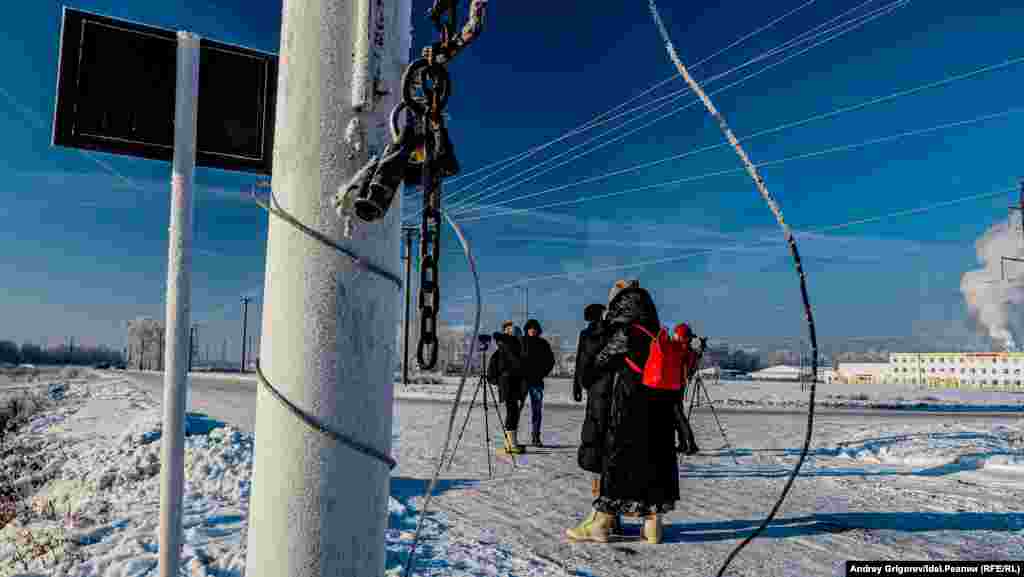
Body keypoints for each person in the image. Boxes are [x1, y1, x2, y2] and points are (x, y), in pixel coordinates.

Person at [565, 279, 680, 545]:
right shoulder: (657, 334)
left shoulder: (624, 334)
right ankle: (653, 527)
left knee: (618, 464)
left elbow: (592, 371)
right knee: (654, 465)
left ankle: (601, 524)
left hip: (628, 409)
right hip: (659, 415)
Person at [572, 302, 623, 535]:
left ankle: (605, 515)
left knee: (599, 451)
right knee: (606, 452)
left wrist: (580, 383)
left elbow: (584, 363)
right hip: (607, 394)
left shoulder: (598, 334)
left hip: (602, 395)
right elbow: (582, 361)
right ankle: (609, 515)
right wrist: (578, 384)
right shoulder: (604, 332)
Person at [487, 320, 527, 454]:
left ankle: (510, 442)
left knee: (513, 412)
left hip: (511, 383)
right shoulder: (508, 345)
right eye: (509, 328)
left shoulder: (507, 346)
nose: (513, 330)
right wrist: (502, 380)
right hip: (509, 383)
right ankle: (511, 444)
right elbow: (493, 371)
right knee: (512, 412)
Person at [519, 318, 555, 447]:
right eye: (530, 329)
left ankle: (536, 437)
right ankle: (512, 436)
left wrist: (542, 373)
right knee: (516, 409)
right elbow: (514, 359)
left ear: (538, 330)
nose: (532, 331)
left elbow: (550, 361)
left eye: (534, 329)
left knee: (537, 410)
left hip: (537, 382)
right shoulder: (521, 342)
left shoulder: (543, 343)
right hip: (522, 381)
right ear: (527, 330)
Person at [672, 323, 701, 456]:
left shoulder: (681, 350)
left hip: (675, 385)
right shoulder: (689, 351)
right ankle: (683, 443)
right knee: (677, 415)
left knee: (678, 415)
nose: (674, 337)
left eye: (675, 335)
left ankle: (690, 443)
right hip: (679, 384)